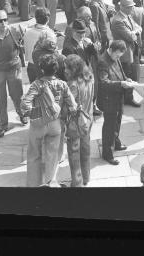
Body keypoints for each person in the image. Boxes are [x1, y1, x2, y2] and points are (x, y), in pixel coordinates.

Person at [20, 54, 77, 187]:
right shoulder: (62, 84)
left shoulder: (36, 85)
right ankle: (50, 183)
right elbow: (73, 105)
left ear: (41, 69)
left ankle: (34, 185)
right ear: (56, 70)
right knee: (53, 155)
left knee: (34, 154)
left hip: (38, 124)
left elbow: (25, 104)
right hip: (55, 124)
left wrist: (32, 113)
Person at [97, 39, 138, 165]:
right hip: (109, 100)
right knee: (109, 126)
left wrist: (126, 79)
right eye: (117, 55)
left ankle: (116, 142)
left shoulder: (116, 57)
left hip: (118, 96)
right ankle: (107, 153)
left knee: (118, 121)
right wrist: (121, 83)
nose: (118, 58)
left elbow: (120, 72)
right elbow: (104, 83)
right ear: (111, 50)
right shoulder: (102, 62)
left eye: (120, 56)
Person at [0, 10, 27, 137]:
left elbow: (23, 45)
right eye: (0, 21)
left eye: (5, 20)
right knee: (0, 99)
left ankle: (22, 114)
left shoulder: (15, 31)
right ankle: (2, 125)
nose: (3, 23)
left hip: (13, 69)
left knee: (17, 95)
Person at [64, 53, 95, 187]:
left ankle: (77, 183)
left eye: (67, 68)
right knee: (86, 149)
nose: (64, 70)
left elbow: (69, 108)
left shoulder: (73, 85)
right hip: (88, 119)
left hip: (75, 125)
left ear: (74, 69)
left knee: (74, 155)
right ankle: (86, 178)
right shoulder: (89, 77)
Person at [110, 0, 143, 99]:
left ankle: (129, 95)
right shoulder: (118, 21)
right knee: (128, 76)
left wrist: (135, 31)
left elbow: (138, 27)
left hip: (133, 50)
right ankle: (127, 98)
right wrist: (136, 32)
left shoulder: (127, 15)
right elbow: (130, 37)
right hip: (126, 53)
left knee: (134, 75)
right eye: (130, 7)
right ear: (122, 7)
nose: (132, 8)